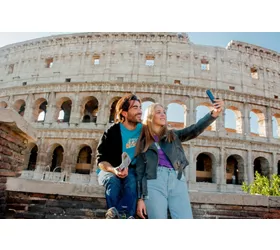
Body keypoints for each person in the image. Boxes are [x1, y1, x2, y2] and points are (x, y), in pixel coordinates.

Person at [135, 98, 224, 219]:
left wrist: (213, 114)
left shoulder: (173, 135)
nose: (163, 114)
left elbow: (194, 129)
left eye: (164, 112)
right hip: (154, 181)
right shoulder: (143, 140)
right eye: (158, 112)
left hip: (176, 179)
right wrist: (140, 198)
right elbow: (140, 171)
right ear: (150, 116)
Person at [96, 94, 142, 219]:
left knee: (132, 182)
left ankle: (116, 216)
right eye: (135, 108)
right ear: (125, 113)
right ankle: (125, 216)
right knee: (113, 181)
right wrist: (114, 170)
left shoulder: (143, 130)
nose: (140, 111)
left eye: (140, 107)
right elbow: (101, 161)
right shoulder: (112, 131)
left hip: (131, 170)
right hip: (110, 169)